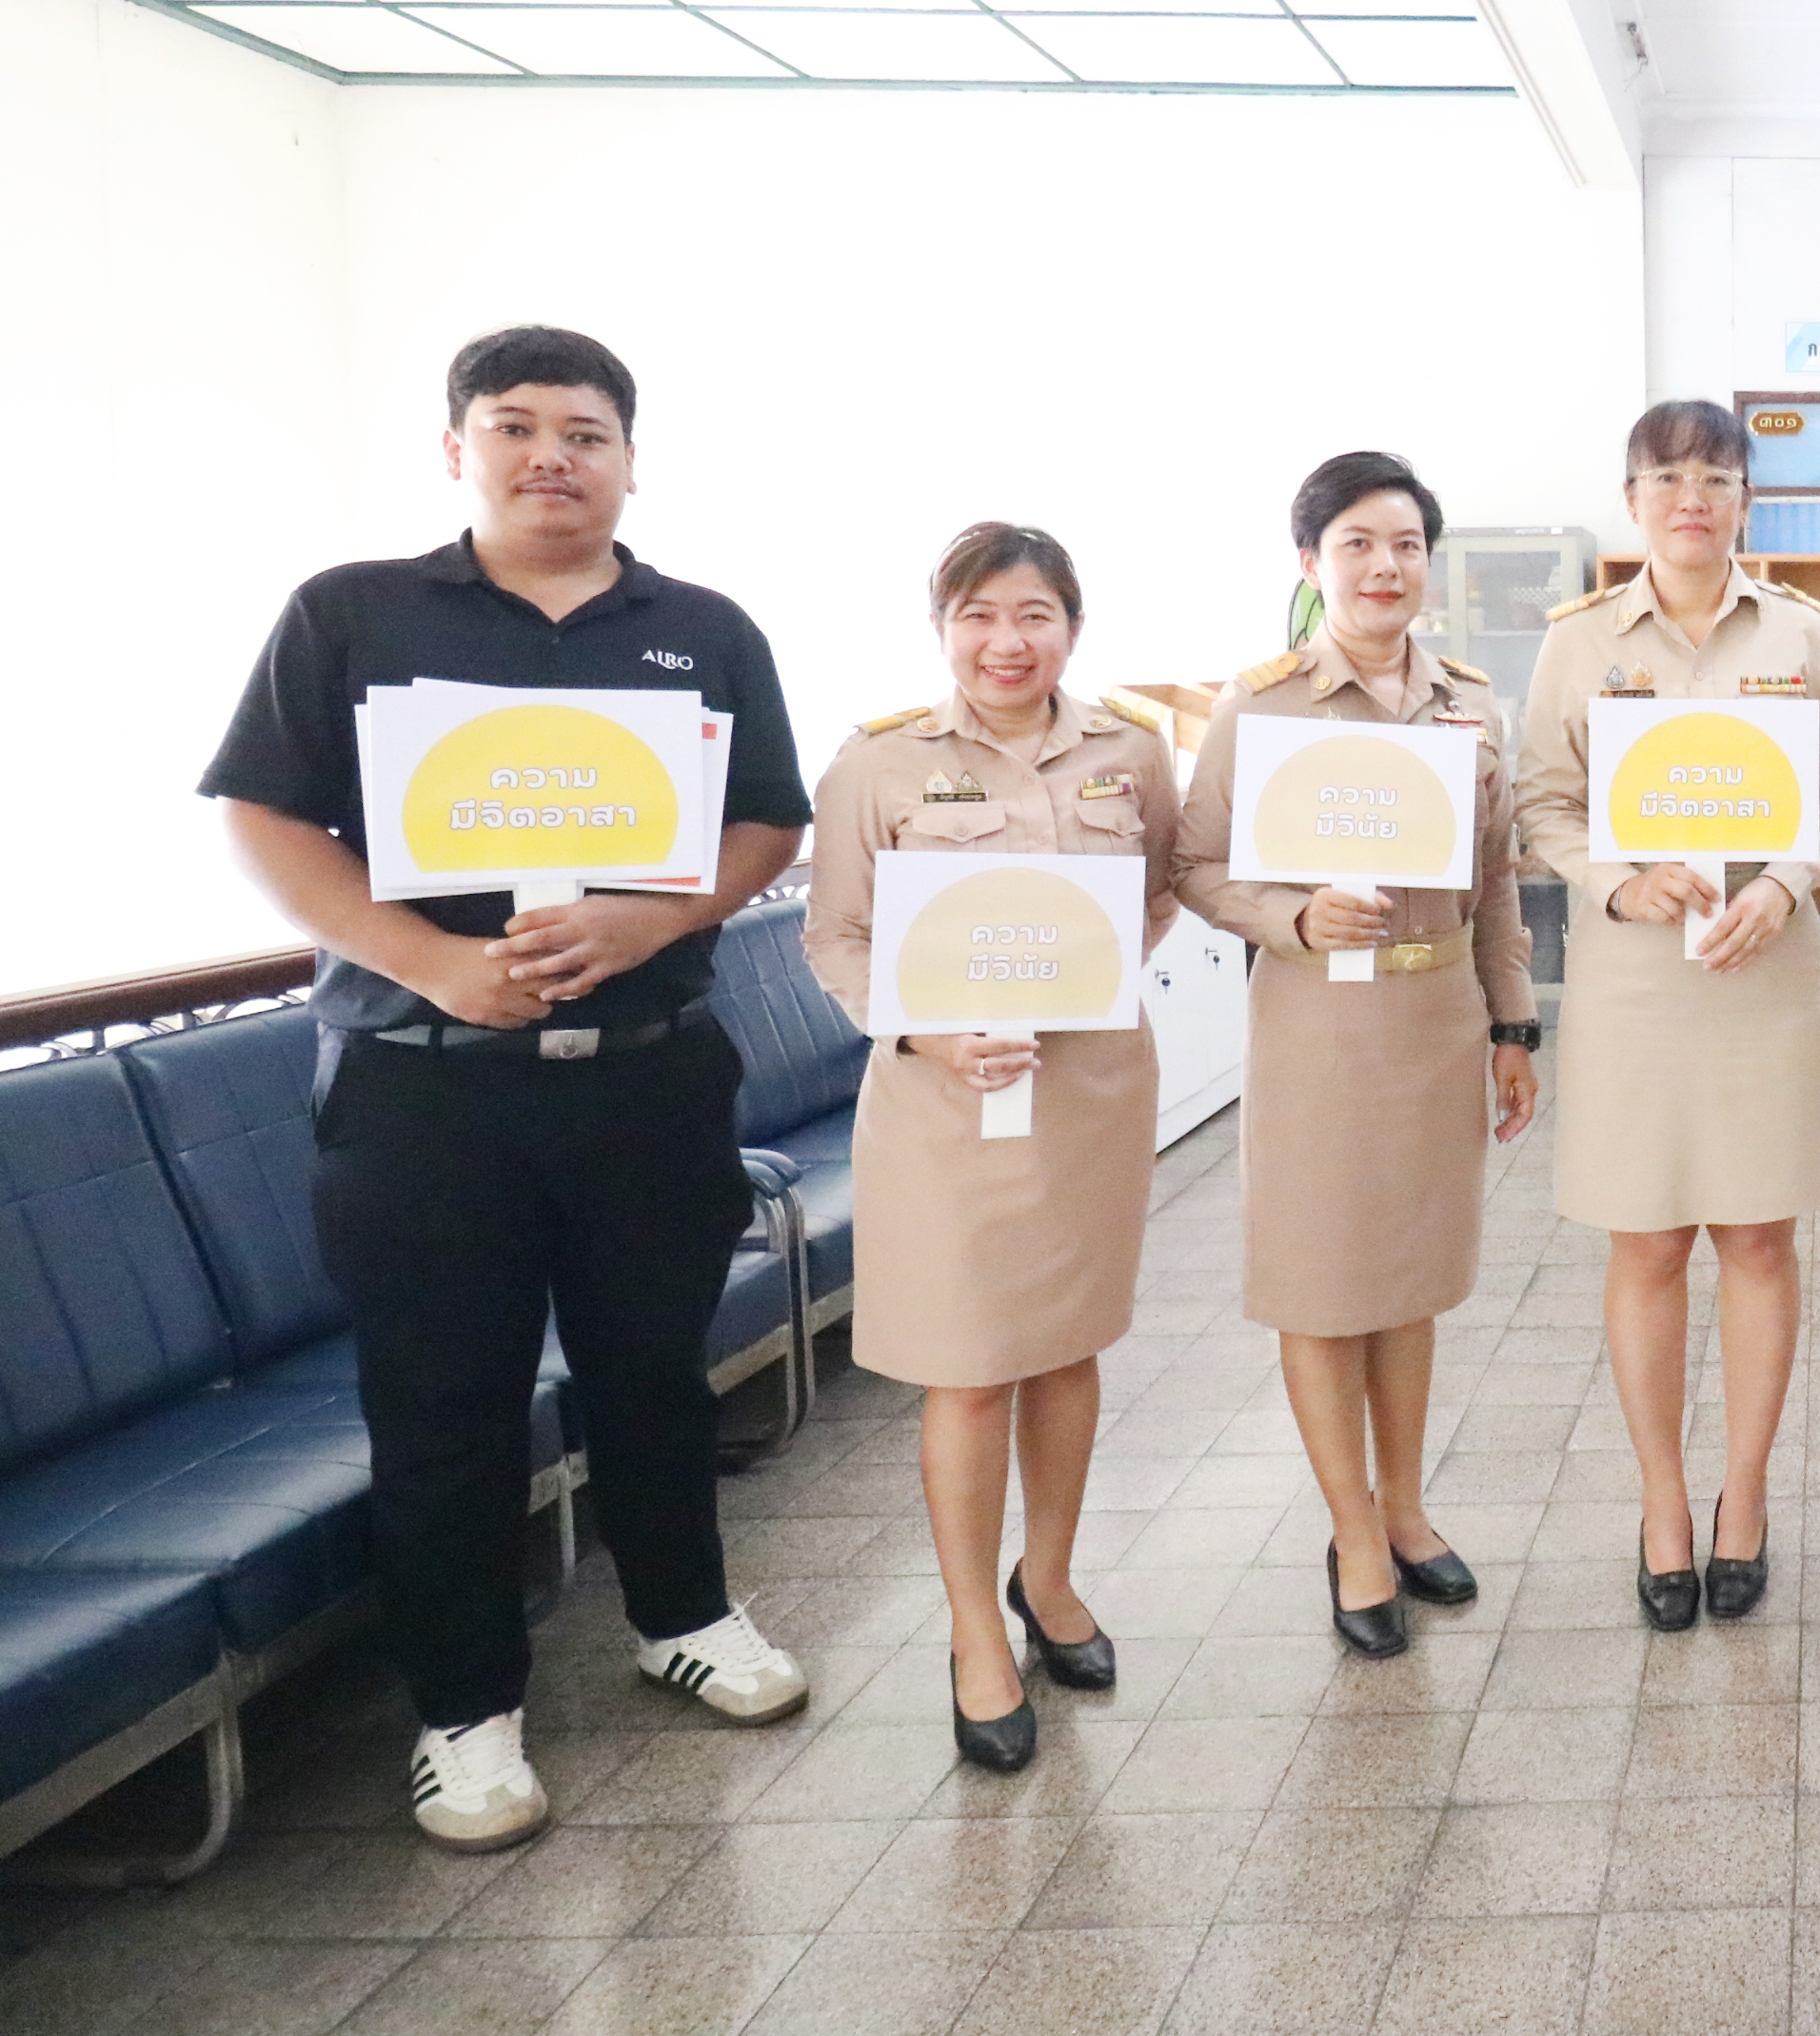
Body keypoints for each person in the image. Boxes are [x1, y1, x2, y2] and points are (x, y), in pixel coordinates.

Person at [203, 326, 811, 1854]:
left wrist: (651, 921)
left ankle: (684, 1616)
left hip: (648, 1081)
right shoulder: (353, 615)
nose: (553, 456)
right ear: (455, 448)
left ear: (629, 460)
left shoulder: (703, 629)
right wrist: (427, 962)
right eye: (516, 426)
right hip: (425, 1093)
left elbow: (765, 825)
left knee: (654, 1372)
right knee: (444, 1404)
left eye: (586, 432)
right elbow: (262, 816)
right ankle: (465, 1713)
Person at [803, 524, 1178, 1769]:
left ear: (1072, 626)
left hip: (1086, 1092)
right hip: (940, 1105)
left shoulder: (1131, 748)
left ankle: (1049, 1580)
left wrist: (1079, 975)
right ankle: (975, 1630)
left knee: (1066, 1347)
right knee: (967, 1369)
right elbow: (837, 936)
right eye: (977, 615)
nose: (1006, 642)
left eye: (1033, 615)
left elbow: (1159, 887)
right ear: (941, 627)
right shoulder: (879, 762)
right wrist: (929, 1030)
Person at [1171, 453, 1538, 1660]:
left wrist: (1512, 1024)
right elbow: (1196, 867)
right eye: (1358, 545)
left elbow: (1496, 883)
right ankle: (1353, 1531)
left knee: (1410, 1281)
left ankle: (1407, 1507)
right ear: (1311, 562)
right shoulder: (1262, 706)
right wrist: (1292, 916)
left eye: (1407, 544)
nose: (1386, 567)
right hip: (1318, 1024)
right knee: (1324, 1282)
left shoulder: (1470, 705)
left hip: (1436, 1018)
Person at [1516, 401, 1820, 1629]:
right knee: (1649, 1243)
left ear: (1745, 500)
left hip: (1763, 974)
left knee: (1760, 1239)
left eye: (1717, 479)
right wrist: (1618, 881)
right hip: (1637, 984)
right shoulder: (1580, 643)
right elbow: (1542, 803)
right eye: (1667, 479)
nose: (1692, 500)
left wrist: (1785, 884)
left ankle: (1745, 1494)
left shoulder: (1804, 633)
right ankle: (1663, 1500)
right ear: (1632, 500)